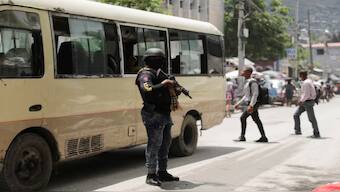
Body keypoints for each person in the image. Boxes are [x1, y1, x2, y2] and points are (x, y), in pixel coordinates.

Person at [135, 48, 179, 186]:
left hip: (164, 113)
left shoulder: (159, 73)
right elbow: (147, 89)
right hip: (153, 114)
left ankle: (163, 172)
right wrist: (164, 84)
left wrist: (174, 87)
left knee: (165, 144)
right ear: (149, 61)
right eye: (156, 59)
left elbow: (174, 92)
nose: (160, 62)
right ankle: (151, 174)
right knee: (154, 144)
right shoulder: (145, 74)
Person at [234, 67, 268, 142]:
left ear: (249, 73)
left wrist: (251, 105)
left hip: (254, 103)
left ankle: (242, 136)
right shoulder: (247, 82)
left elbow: (255, 94)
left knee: (243, 117)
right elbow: (246, 96)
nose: (242, 72)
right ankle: (263, 137)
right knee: (256, 119)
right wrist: (238, 103)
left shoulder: (253, 82)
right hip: (251, 103)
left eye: (244, 71)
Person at [293, 71, 321, 138]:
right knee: (296, 115)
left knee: (311, 118)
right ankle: (297, 130)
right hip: (306, 102)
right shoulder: (309, 81)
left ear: (302, 75)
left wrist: (301, 101)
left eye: (300, 76)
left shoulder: (306, 83)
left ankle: (316, 133)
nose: (300, 77)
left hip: (307, 102)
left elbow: (306, 94)